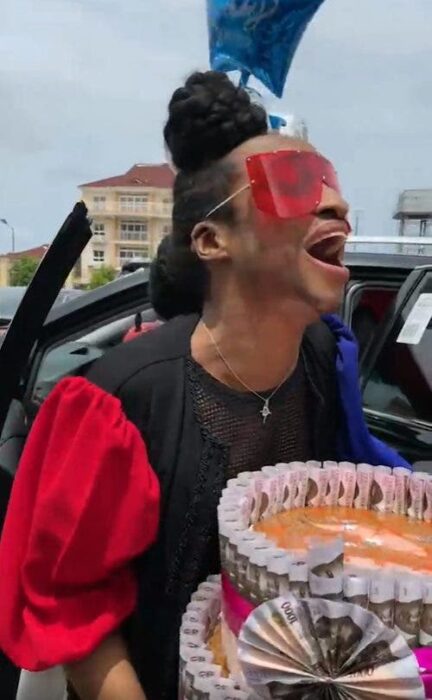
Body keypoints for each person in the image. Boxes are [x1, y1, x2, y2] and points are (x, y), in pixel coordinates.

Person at [0, 71, 410, 700]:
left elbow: (360, 497)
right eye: (294, 186)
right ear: (213, 240)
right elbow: (72, 612)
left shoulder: (328, 358)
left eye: (331, 185)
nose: (337, 207)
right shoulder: (120, 404)